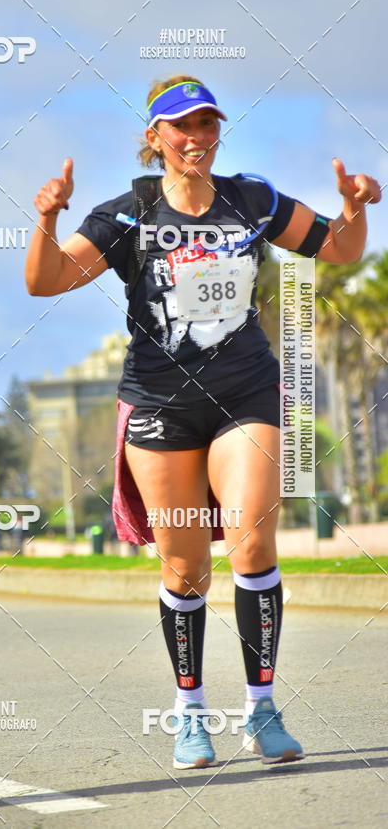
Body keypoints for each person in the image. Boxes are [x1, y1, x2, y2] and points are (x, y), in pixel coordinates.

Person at [25, 74, 380, 768]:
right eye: (181, 126)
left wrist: (353, 207)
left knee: (251, 543)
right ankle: (190, 713)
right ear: (154, 136)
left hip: (246, 393)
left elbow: (339, 249)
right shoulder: (128, 214)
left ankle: (263, 707)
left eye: (207, 123)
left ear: (220, 131)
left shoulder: (253, 200)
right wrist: (46, 220)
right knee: (186, 569)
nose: (196, 137)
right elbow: (46, 281)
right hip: (160, 405)